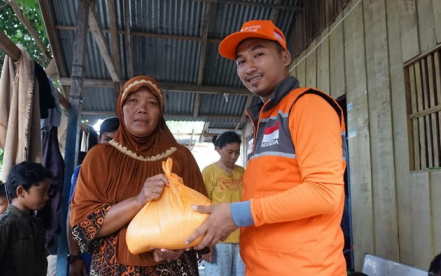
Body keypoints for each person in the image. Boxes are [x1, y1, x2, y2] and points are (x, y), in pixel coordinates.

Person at [186, 20, 347, 276]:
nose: (249, 67)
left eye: (258, 54)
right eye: (241, 61)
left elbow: (324, 193)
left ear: (285, 57)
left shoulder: (308, 106)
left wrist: (237, 214)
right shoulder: (264, 119)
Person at [70, 75, 208, 276]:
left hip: (173, 269)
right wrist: (139, 200)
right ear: (121, 108)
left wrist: (179, 245)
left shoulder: (181, 157)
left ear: (160, 113)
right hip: (113, 269)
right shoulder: (99, 157)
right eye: (133, 101)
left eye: (152, 103)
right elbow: (84, 226)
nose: (142, 108)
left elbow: (202, 217)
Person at [0, 161, 51, 276]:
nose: (47, 197)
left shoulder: (36, 223)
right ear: (21, 191)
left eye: (47, 191)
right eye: (42, 191)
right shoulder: (4, 225)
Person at [67, 116, 119, 276]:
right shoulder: (84, 171)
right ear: (98, 139)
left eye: (118, 142)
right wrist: (75, 257)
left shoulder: (131, 173)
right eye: (107, 140)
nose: (112, 147)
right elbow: (72, 215)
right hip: (90, 253)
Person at [201, 131, 245, 276]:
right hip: (218, 239)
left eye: (237, 153)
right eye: (229, 152)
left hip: (242, 238)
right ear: (218, 150)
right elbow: (203, 207)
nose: (234, 157)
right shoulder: (209, 172)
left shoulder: (242, 172)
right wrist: (206, 242)